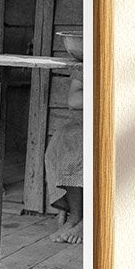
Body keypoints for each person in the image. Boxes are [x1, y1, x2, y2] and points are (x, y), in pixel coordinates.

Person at [46, 67, 84, 243]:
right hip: (82, 122)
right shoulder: (90, 60)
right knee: (63, 141)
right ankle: (75, 216)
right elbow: (73, 100)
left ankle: (91, 221)